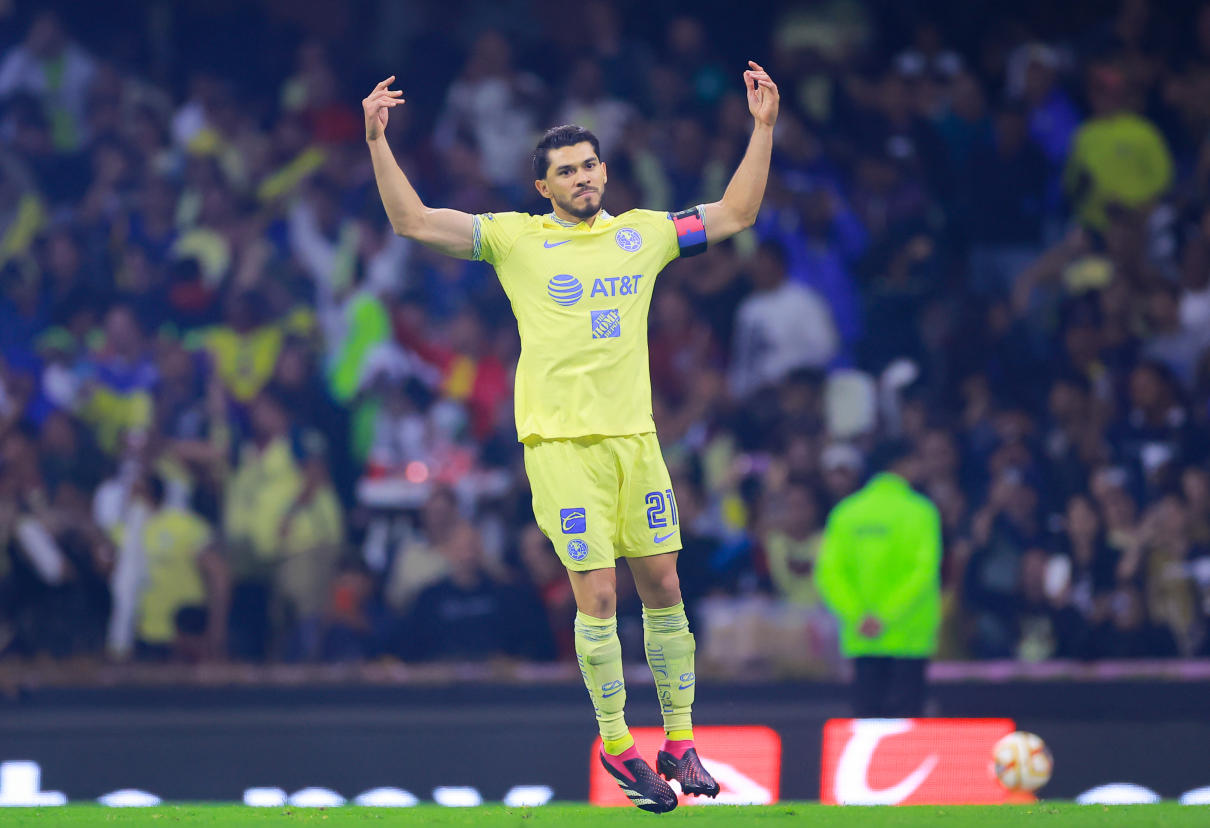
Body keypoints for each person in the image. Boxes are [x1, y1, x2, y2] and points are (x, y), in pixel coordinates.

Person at [362, 60, 779, 812]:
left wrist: (763, 128)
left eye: (590, 165)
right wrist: (377, 141)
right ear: (543, 188)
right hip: (559, 446)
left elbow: (735, 215)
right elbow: (414, 221)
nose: (584, 178)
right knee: (596, 592)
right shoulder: (515, 240)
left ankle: (679, 741)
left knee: (664, 584)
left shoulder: (644, 236)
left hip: (635, 440)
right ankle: (620, 747)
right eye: (567, 171)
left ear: (604, 171)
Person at [814, 444, 941, 717]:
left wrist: (859, 616)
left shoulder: (846, 512)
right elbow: (923, 572)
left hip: (862, 637)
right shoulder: (921, 511)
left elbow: (829, 574)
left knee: (867, 725)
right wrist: (886, 616)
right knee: (906, 727)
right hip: (908, 638)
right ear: (904, 464)